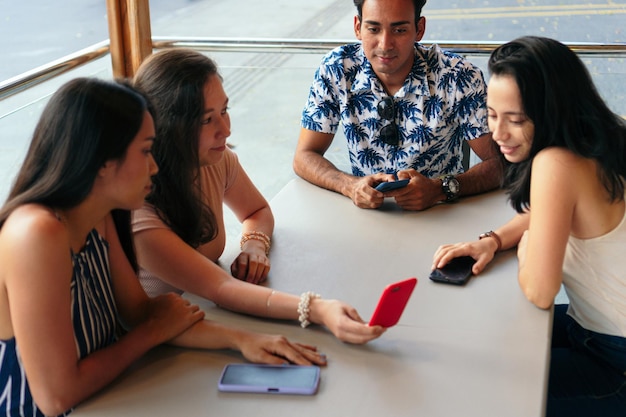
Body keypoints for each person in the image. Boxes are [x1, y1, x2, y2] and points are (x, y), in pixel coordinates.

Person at [0, 78, 326, 417]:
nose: (154, 166)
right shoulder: (37, 234)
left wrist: (242, 340)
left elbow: (141, 313)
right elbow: (55, 397)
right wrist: (152, 333)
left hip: (108, 397)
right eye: (144, 151)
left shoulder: (99, 213)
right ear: (101, 161)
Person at [132, 48, 385, 345]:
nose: (225, 130)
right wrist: (317, 309)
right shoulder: (139, 210)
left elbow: (256, 211)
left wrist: (254, 245)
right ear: (165, 127)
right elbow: (221, 289)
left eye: (224, 111)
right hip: (157, 352)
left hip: (203, 320)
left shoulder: (216, 160)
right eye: (206, 120)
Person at [432, 36, 626, 415]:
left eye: (516, 120)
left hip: (613, 361)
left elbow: (539, 290)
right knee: (482, 354)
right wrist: (493, 240)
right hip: (593, 331)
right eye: (491, 115)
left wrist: (528, 248)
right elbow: (549, 212)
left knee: (477, 396)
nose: (498, 134)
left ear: (551, 110)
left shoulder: (556, 162)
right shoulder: (601, 139)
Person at [293, 0, 503, 211]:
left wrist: (440, 189)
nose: (385, 44)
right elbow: (304, 156)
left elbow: (502, 163)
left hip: (442, 212)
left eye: (400, 30)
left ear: (419, 29)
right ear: (358, 27)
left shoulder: (457, 76)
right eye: (373, 29)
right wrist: (349, 185)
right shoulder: (337, 69)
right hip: (365, 215)